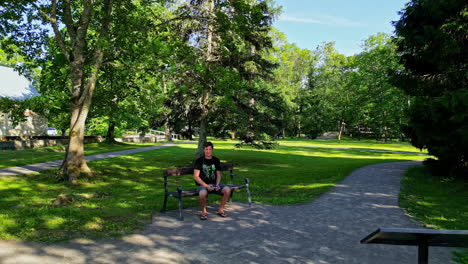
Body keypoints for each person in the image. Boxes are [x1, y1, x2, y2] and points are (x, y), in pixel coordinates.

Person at [193, 141, 231, 220]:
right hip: (203, 185)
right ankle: (204, 212)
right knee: (202, 193)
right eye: (206, 149)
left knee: (227, 190)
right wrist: (206, 186)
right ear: (204, 150)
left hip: (214, 184)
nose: (208, 151)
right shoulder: (199, 161)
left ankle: (221, 210)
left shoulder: (216, 160)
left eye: (210, 149)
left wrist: (217, 184)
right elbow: (196, 176)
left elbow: (218, 174)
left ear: (212, 150)